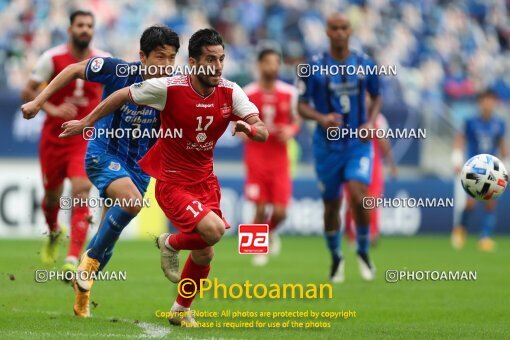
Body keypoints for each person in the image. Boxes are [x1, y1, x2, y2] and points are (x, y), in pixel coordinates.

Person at [59, 28, 268, 326]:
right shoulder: (169, 87)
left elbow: (261, 128)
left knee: (205, 253)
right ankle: (166, 243)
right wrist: (86, 122)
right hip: (169, 180)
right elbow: (120, 94)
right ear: (194, 63)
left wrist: (253, 129)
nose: (218, 66)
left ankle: (180, 309)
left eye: (222, 59)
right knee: (213, 231)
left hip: (204, 181)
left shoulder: (231, 90)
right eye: (211, 59)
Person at [22, 25, 180, 317]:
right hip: (103, 154)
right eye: (161, 57)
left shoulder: (175, 87)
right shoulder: (118, 70)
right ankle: (87, 261)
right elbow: (73, 70)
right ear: (142, 56)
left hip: (139, 168)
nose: (167, 65)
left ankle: (83, 291)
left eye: (172, 58)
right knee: (131, 203)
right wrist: (38, 101)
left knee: (108, 240)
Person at [21, 10, 108, 273]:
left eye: (89, 26)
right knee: (51, 197)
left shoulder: (104, 60)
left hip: (85, 137)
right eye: (80, 25)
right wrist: (54, 110)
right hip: (54, 137)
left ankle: (73, 257)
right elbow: (28, 90)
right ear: (70, 29)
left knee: (81, 189)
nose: (85, 29)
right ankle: (54, 231)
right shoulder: (52, 57)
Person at [297, 13, 381, 283]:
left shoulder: (364, 63)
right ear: (327, 31)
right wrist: (322, 118)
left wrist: (369, 122)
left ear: (351, 30)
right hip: (327, 147)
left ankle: (364, 251)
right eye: (335, 28)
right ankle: (336, 257)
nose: (340, 32)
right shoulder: (314, 66)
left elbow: (377, 95)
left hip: (357, 143)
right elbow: (301, 104)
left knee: (359, 195)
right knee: (331, 205)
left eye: (344, 27)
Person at [242, 46, 300, 266]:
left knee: (281, 211)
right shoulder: (248, 93)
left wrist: (291, 131)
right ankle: (257, 252)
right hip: (256, 159)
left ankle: (269, 233)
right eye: (268, 62)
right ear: (259, 65)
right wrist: (245, 132)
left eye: (276, 62)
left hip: (279, 161)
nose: (272, 66)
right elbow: (235, 122)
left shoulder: (289, 93)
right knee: (259, 206)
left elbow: (297, 120)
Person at [451, 89, 507, 252]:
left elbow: (502, 145)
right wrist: (456, 158)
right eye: (485, 100)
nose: (488, 104)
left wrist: (506, 163)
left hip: (492, 169)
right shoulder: (471, 121)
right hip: (473, 167)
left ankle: (485, 237)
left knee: (491, 203)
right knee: (470, 203)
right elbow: (460, 139)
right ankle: (460, 230)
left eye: (491, 100)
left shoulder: (499, 123)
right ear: (480, 102)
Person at [344, 113, 397, 245]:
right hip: (352, 164)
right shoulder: (350, 116)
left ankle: (371, 233)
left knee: (371, 199)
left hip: (373, 166)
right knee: (353, 199)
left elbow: (384, 142)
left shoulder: (379, 119)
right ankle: (352, 233)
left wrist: (391, 164)